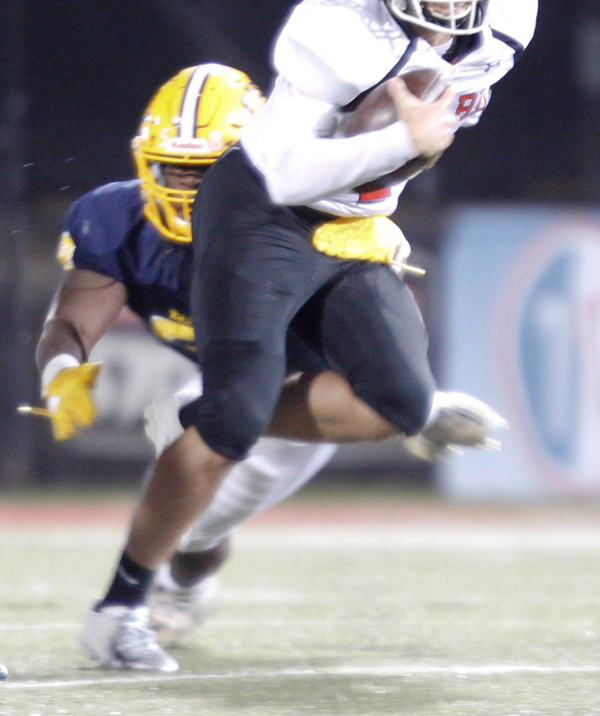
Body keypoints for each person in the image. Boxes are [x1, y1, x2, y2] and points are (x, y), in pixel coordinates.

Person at [31, 60, 502, 671]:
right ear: (146, 161)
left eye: (211, 173)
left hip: (298, 387)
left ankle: (416, 411)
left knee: (203, 517)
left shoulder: (300, 217)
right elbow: (71, 319)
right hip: (225, 377)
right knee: (195, 522)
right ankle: (177, 589)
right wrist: (61, 369)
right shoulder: (116, 219)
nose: (190, 190)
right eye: (178, 169)